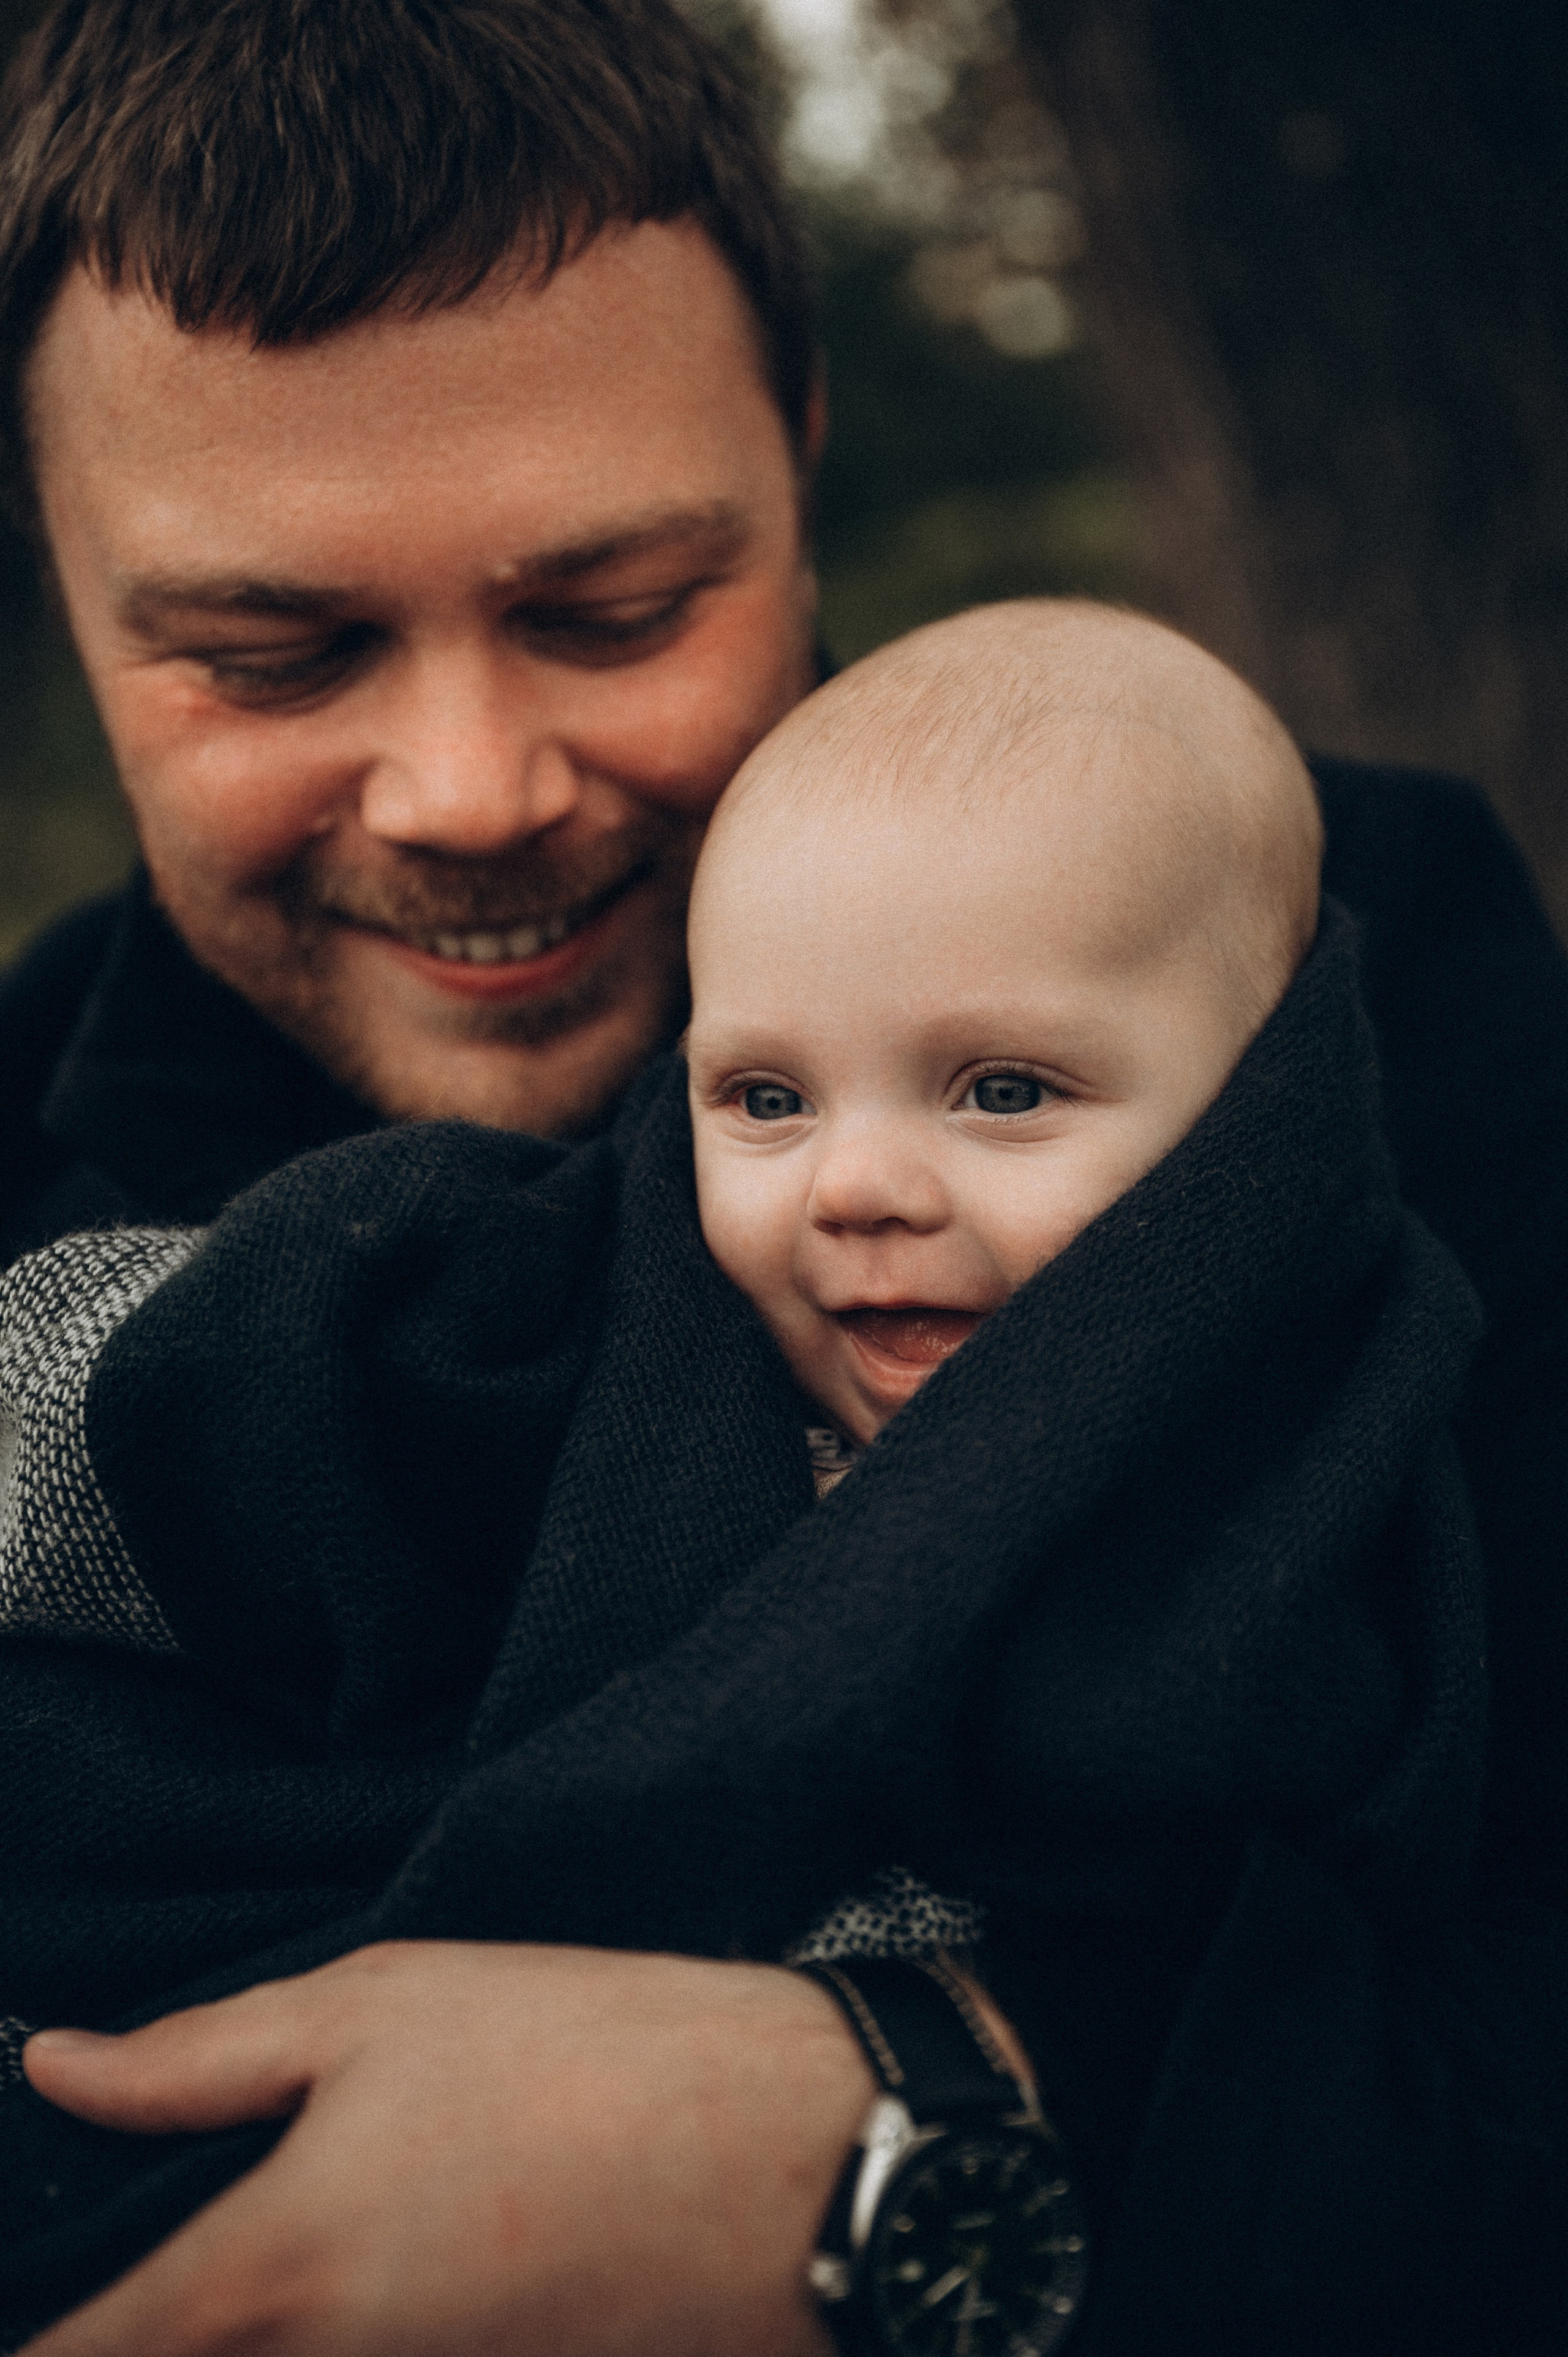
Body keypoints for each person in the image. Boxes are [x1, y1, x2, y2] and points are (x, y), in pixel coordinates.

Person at [0, 1, 1563, 2350]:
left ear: (798, 446)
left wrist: (935, 2119)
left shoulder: (1333, 972)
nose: (468, 789)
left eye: (614, 612)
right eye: (273, 653)